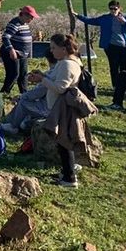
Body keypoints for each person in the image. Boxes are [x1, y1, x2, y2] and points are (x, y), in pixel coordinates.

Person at [33, 33, 87, 187]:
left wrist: (42, 79)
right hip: (61, 107)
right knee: (62, 141)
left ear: (63, 49)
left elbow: (60, 87)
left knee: (64, 142)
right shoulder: (66, 62)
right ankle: (66, 171)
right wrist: (43, 76)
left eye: (53, 48)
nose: (51, 51)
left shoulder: (67, 64)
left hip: (63, 109)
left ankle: (69, 178)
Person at [75, 0, 126, 111]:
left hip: (124, 47)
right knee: (114, 67)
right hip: (111, 47)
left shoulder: (125, 18)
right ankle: (115, 86)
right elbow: (91, 21)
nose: (113, 11)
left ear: (119, 9)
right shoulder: (105, 18)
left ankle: (125, 87)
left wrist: (124, 22)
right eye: (111, 8)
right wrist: (78, 16)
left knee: (125, 68)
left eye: (115, 9)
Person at [0, 6, 37, 94]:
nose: (32, 19)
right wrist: (11, 50)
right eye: (31, 17)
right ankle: (4, 93)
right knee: (14, 74)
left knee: (23, 75)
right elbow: (5, 37)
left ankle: (24, 94)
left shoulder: (24, 24)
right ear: (24, 15)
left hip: (22, 54)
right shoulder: (14, 24)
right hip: (12, 53)